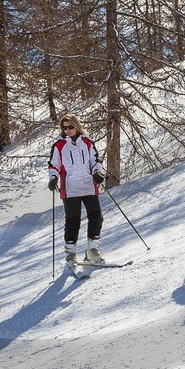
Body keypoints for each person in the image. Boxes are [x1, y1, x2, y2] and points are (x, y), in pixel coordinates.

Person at [48, 113, 105, 267]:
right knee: (73, 221)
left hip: (88, 186)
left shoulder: (87, 143)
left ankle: (92, 250)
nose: (68, 130)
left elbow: (95, 161)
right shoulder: (59, 146)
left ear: (76, 126)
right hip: (70, 188)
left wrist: (98, 173)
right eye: (64, 128)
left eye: (70, 127)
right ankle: (71, 254)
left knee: (96, 217)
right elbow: (54, 165)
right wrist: (53, 178)